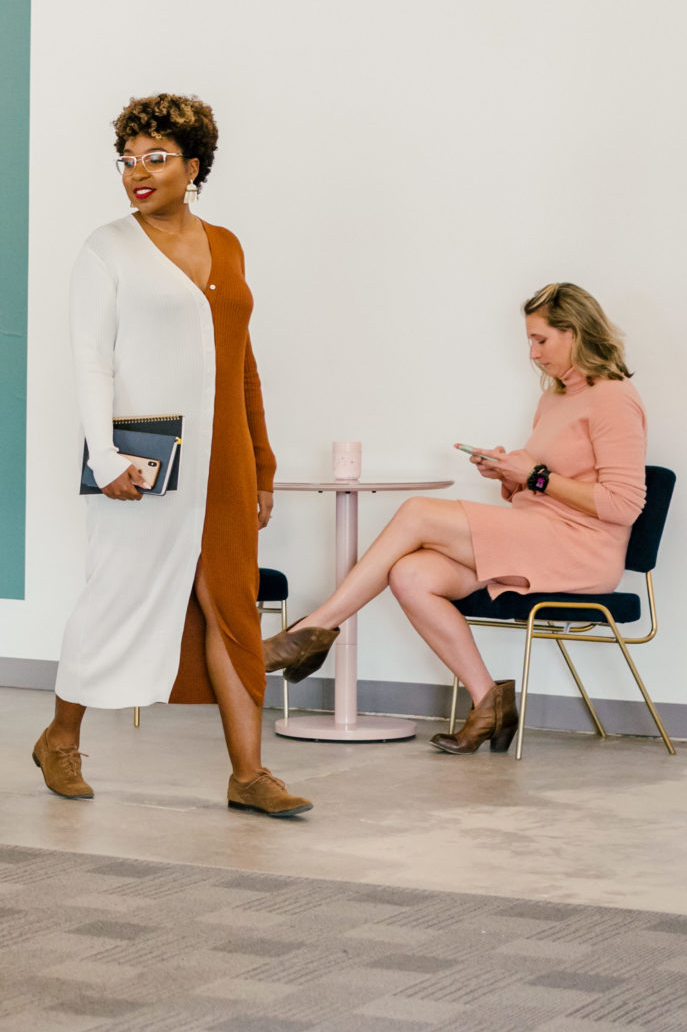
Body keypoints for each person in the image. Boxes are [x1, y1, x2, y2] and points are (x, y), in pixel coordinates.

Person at [41, 93, 310, 820]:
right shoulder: (106, 248)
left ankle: (248, 774)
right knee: (116, 598)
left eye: (155, 158)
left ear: (193, 166)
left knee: (232, 610)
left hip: (223, 459)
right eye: (127, 160)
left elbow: (241, 362)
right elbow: (90, 360)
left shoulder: (226, 245)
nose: (138, 173)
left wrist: (261, 461)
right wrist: (103, 459)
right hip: (142, 456)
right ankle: (60, 738)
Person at [267, 283, 646, 755]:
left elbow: (624, 504)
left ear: (576, 333)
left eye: (541, 340)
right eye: (529, 340)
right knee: (411, 573)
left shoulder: (613, 397)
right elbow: (539, 484)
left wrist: (537, 476)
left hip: (583, 547)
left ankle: (312, 631)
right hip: (541, 535)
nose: (532, 353)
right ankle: (490, 702)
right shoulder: (553, 400)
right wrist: (508, 473)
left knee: (417, 512)